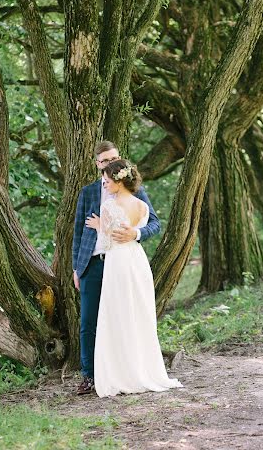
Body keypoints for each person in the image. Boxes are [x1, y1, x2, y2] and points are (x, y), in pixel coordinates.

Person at [86, 159, 183, 397]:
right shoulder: (141, 205)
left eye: (107, 180)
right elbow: (143, 228)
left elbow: (108, 242)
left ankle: (121, 373)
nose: (105, 184)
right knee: (138, 314)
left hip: (117, 262)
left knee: (117, 315)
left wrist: (100, 226)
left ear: (119, 180)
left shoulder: (109, 206)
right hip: (137, 261)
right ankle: (143, 370)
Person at [72, 141, 161, 395]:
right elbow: (78, 232)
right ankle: (89, 377)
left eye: (114, 159)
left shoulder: (136, 191)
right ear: (97, 164)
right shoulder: (88, 192)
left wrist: (135, 233)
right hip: (93, 264)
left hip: (122, 264)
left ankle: (125, 372)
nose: (110, 164)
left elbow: (154, 223)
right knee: (89, 323)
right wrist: (76, 268)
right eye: (105, 161)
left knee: (122, 319)